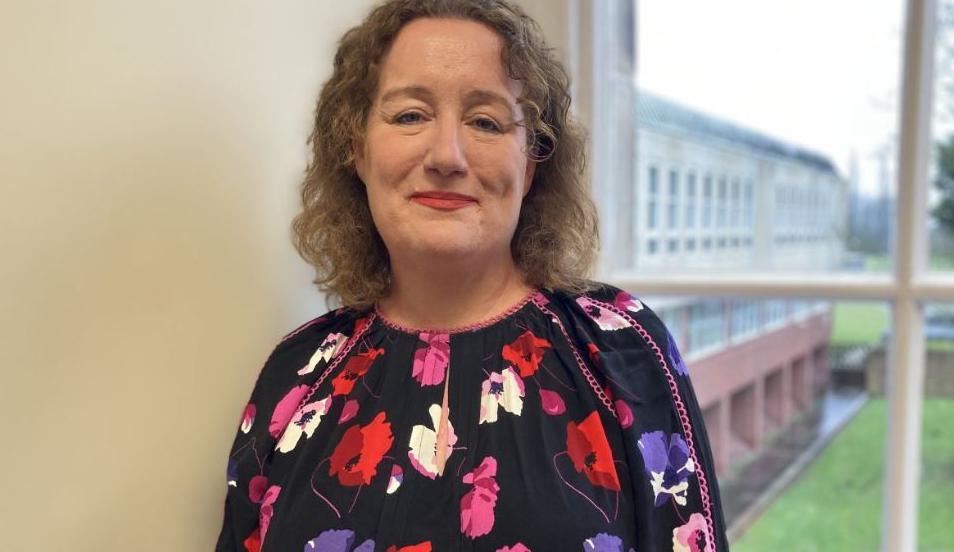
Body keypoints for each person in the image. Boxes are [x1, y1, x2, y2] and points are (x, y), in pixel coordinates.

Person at [216, 0, 728, 550]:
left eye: (485, 121)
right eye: (410, 115)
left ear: (531, 163)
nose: (446, 155)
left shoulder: (623, 349)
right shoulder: (296, 375)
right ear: (357, 151)